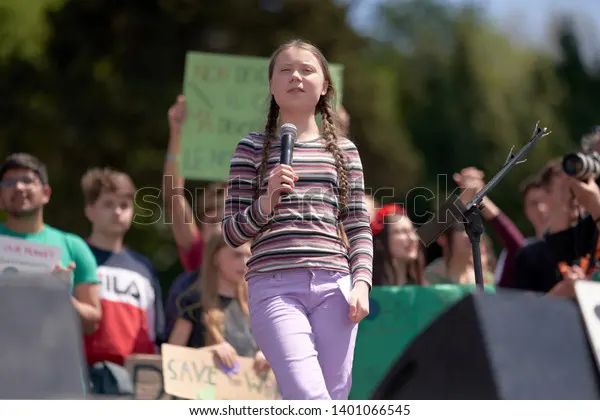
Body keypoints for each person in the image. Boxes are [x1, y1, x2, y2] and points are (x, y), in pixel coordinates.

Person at [222, 39, 372, 400]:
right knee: (309, 395)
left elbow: (357, 225)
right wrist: (267, 199)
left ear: (324, 87)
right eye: (285, 70)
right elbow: (231, 232)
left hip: (335, 286)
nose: (296, 77)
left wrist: (362, 282)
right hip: (274, 288)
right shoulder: (250, 148)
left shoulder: (345, 152)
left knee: (334, 395)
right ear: (272, 87)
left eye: (307, 69)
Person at [80, 168, 166, 395]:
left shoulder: (144, 268)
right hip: (84, 378)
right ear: (90, 210)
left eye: (124, 205)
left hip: (136, 381)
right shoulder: (75, 257)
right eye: (108, 204)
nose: (117, 212)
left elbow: (155, 334)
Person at [0, 154, 101, 334]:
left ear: (46, 193)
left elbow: (92, 322)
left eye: (27, 180)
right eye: (8, 183)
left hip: (52, 358)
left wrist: (60, 296)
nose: (18, 187)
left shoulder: (72, 246)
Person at [162, 96, 227, 334]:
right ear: (200, 228)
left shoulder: (256, 256)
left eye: (228, 219)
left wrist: (336, 132)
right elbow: (173, 197)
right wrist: (177, 133)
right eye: (214, 220)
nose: (221, 228)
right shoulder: (198, 252)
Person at [168, 234, 269, 376]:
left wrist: (267, 357)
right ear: (215, 258)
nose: (245, 262)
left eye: (249, 255)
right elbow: (171, 359)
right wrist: (208, 353)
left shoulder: (258, 305)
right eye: (237, 256)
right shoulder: (192, 303)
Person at [371, 203, 426, 286]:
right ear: (380, 242)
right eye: (402, 232)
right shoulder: (366, 292)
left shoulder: (425, 289)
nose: (413, 238)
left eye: (412, 231)